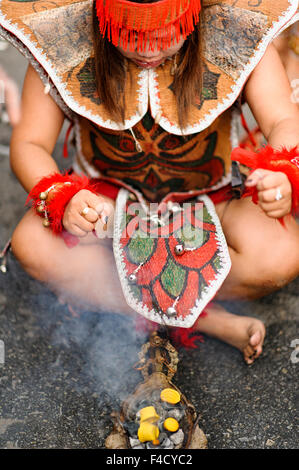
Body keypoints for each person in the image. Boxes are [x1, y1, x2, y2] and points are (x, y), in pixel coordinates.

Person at [0, 0, 298, 365]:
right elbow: (30, 143)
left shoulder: (237, 30)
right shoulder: (61, 39)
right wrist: (65, 197)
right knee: (32, 244)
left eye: (164, 33)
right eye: (130, 35)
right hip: (106, 208)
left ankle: (141, 306)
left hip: (213, 198)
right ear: (101, 15)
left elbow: (284, 118)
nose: (148, 50)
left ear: (195, 13)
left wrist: (283, 170)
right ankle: (201, 318)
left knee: (283, 254)